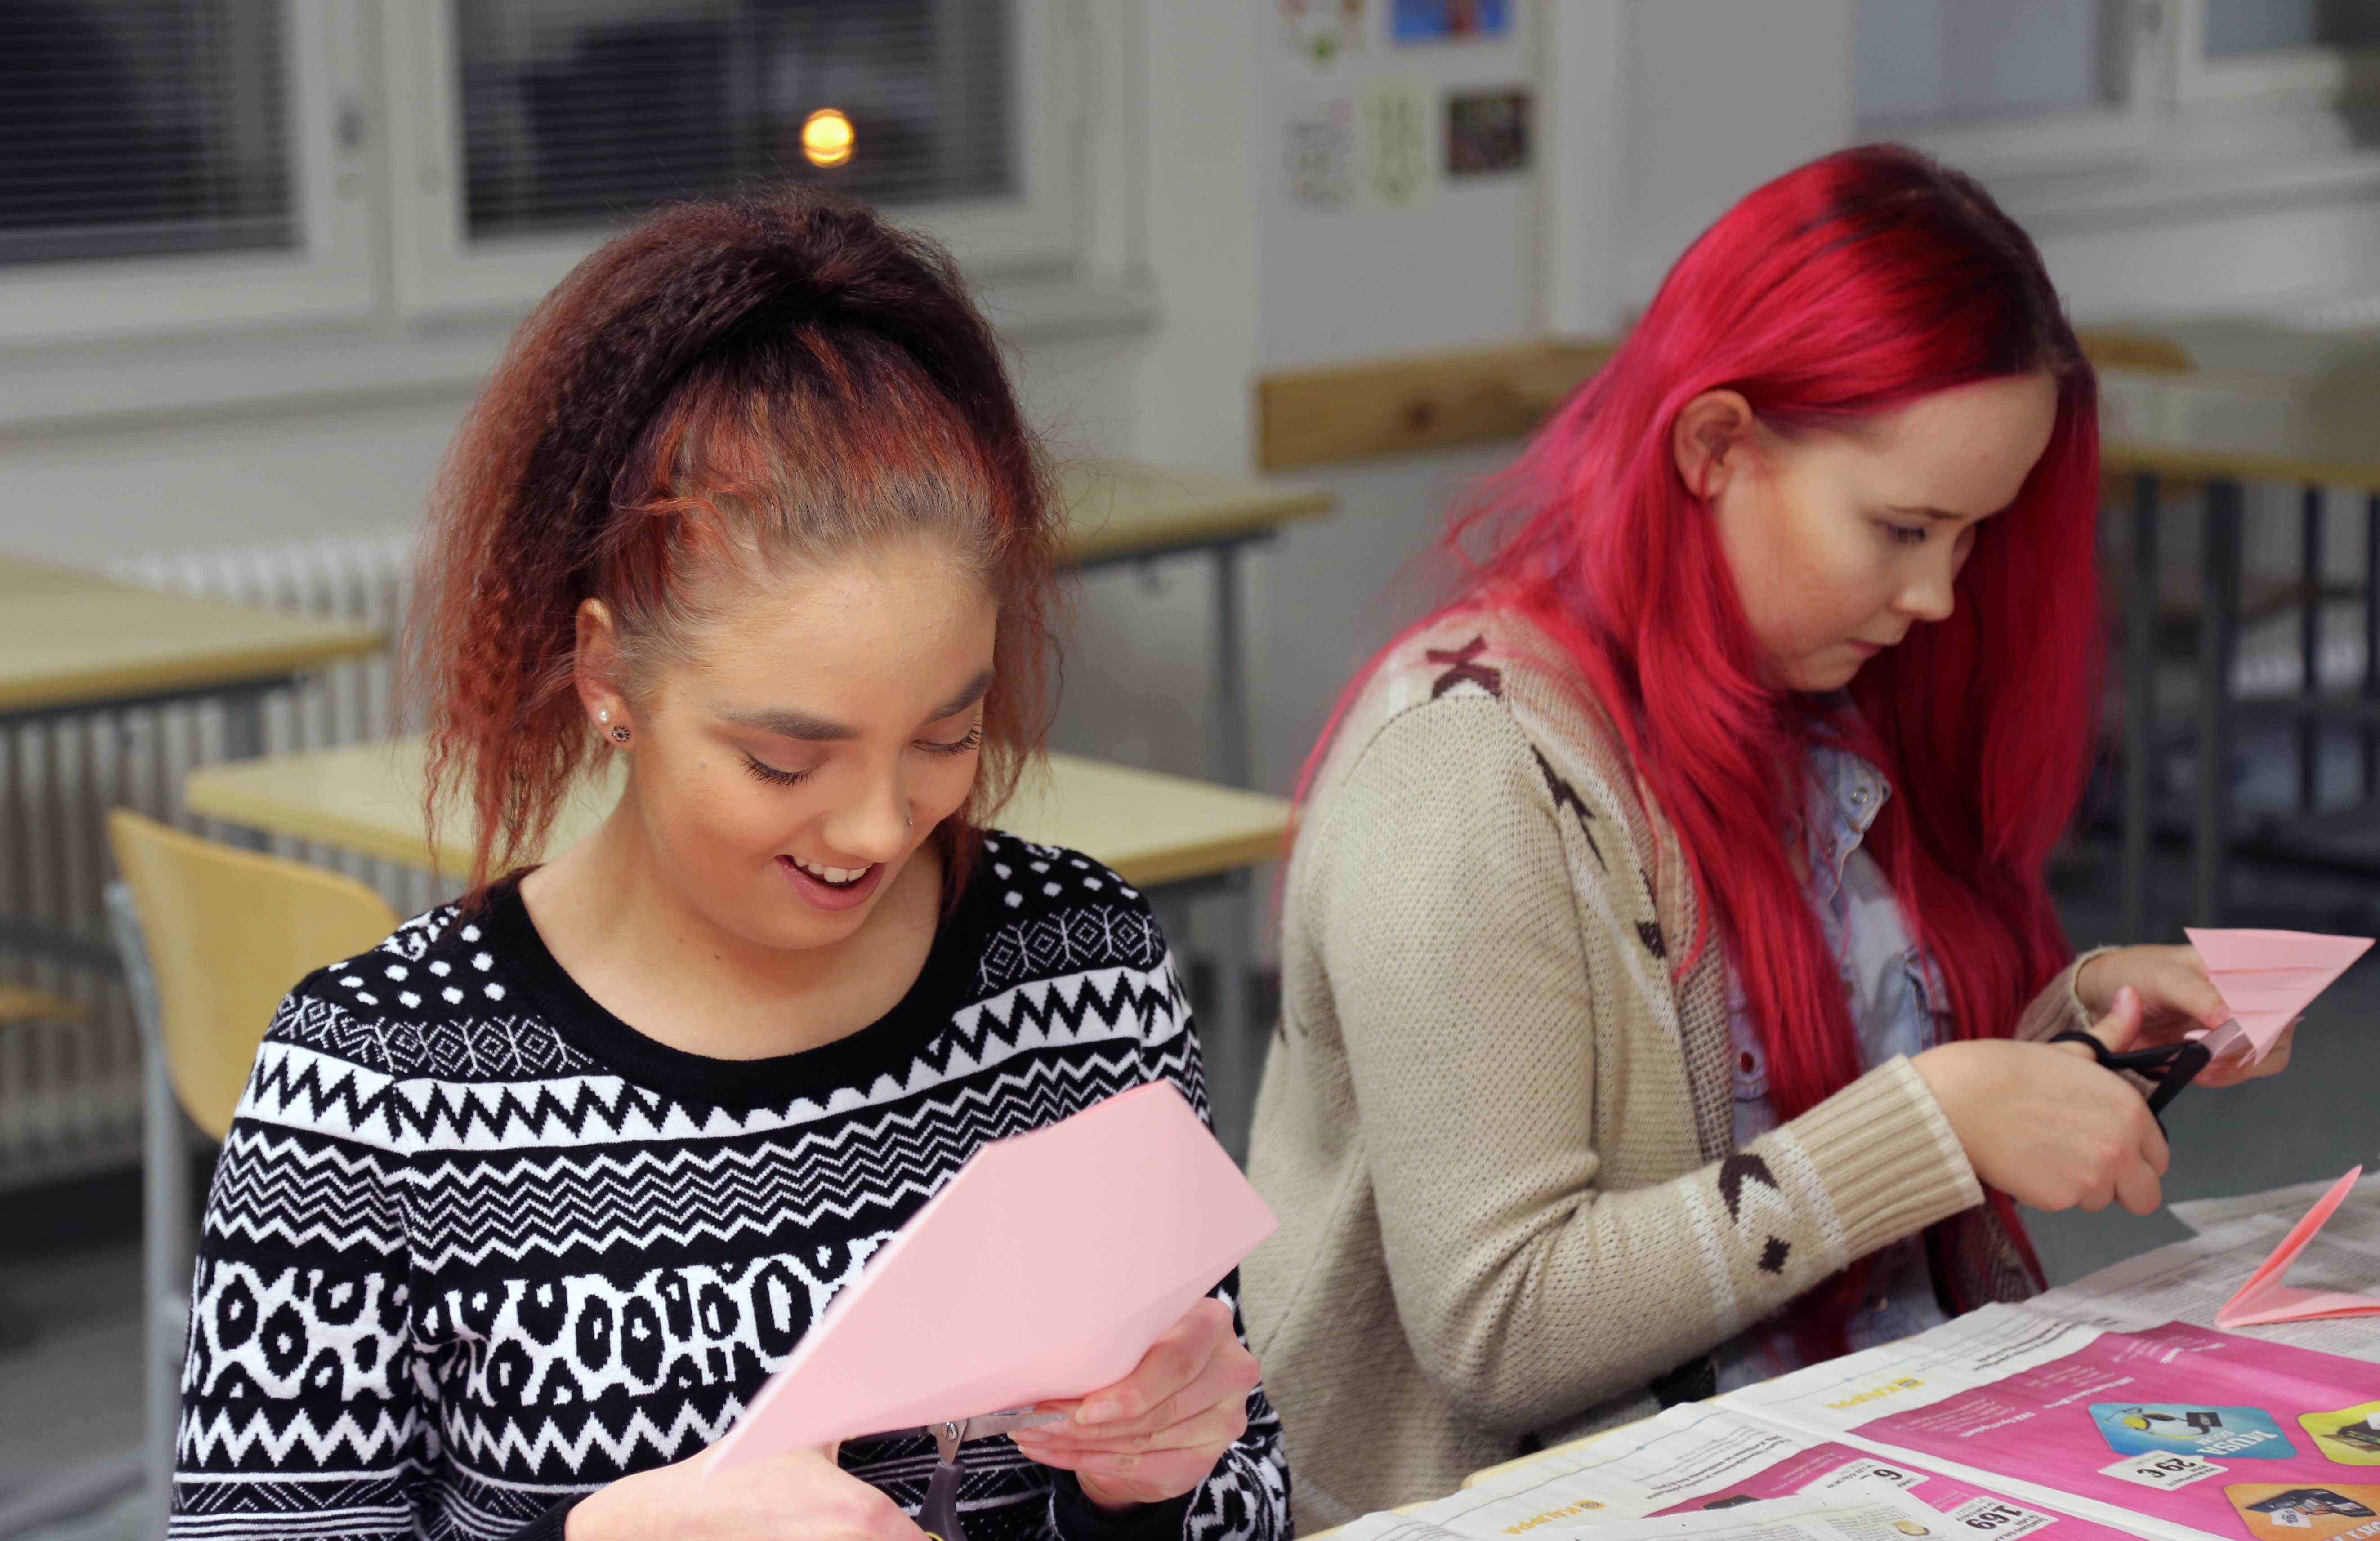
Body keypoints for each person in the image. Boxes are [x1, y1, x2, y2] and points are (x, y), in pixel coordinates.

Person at [170, 193, 1289, 1541]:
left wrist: (1148, 1482)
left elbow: (1246, 1489)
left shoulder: (1079, 973)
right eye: (784, 759)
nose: (877, 828)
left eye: (945, 736)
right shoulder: (381, 1081)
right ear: (608, 673)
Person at [1241, 145, 2282, 1531]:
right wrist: (1939, 1118)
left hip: (1867, 1442)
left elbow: (1795, 1110)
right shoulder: (1470, 765)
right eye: (1902, 528)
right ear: (1716, 447)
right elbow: (1501, 1323)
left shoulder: (1826, 699)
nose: (1937, 595)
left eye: (1971, 536)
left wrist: (2077, 1035)